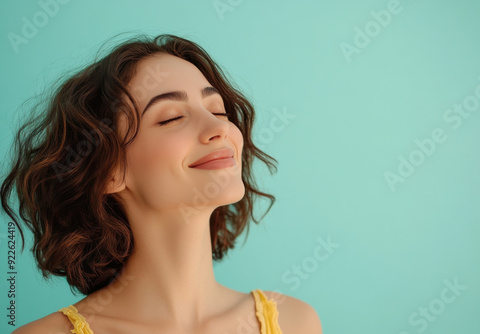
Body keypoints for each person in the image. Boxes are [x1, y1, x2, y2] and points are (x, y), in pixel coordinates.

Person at [2, 33, 323, 334]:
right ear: (107, 171)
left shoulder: (295, 322)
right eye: (171, 117)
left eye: (218, 110)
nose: (218, 128)